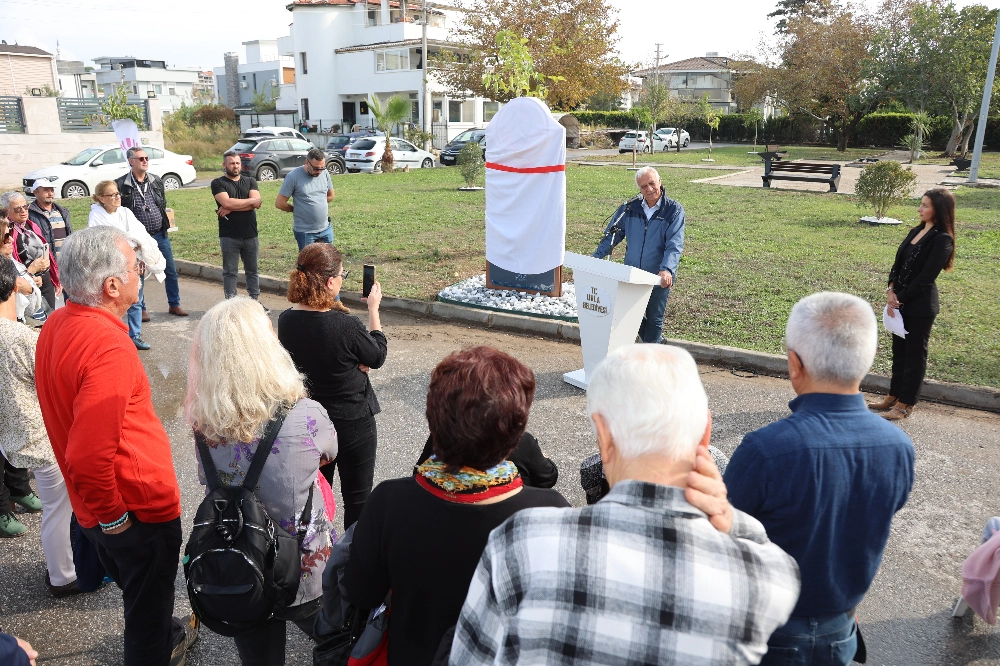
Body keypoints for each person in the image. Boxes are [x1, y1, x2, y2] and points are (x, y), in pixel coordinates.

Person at [449, 344, 801, 666]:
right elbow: (782, 567)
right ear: (706, 432)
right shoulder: (759, 576)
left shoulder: (521, 541)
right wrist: (730, 519)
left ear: (604, 435)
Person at [341, 346, 571, 665]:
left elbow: (361, 592)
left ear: (433, 418)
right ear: (517, 430)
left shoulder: (389, 501)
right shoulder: (551, 512)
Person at [723, 292, 915, 666]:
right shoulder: (898, 447)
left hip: (768, 630)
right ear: (867, 358)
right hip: (841, 628)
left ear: (795, 364)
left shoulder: (765, 449)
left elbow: (724, 537)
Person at [34, 226, 195, 666]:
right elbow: (87, 457)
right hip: (136, 511)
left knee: (143, 596)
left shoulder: (57, 322)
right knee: (145, 618)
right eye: (136, 267)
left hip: (96, 508)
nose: (140, 274)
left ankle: (165, 631)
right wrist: (115, 520)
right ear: (111, 286)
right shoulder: (108, 346)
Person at [186, 296, 337, 665]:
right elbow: (329, 454)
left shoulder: (204, 424)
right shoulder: (306, 414)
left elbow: (209, 478)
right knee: (336, 644)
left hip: (242, 560)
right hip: (304, 564)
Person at [278, 243, 386, 528]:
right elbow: (376, 356)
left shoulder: (286, 320)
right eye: (341, 275)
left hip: (310, 423)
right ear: (329, 282)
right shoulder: (345, 325)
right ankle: (352, 552)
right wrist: (373, 310)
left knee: (316, 497)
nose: (342, 279)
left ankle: (318, 548)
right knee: (357, 500)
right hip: (352, 421)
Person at [0, 255, 81, 595]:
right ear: (13, 285)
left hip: (10, 437)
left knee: (55, 507)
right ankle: (63, 576)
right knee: (58, 509)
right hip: (40, 437)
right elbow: (56, 384)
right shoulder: (22, 338)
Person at [870, 188, 957, 420]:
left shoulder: (943, 239)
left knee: (914, 356)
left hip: (920, 308)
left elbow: (926, 278)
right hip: (899, 303)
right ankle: (893, 396)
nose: (920, 209)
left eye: (925, 205)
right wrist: (890, 290)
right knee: (899, 353)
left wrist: (899, 298)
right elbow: (897, 265)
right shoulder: (915, 231)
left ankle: (906, 404)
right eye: (921, 204)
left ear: (939, 209)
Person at [593, 166, 684, 343]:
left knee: (654, 320)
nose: (649, 189)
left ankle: (652, 350)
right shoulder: (629, 208)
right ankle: (656, 344)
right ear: (639, 189)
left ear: (660, 182)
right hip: (632, 273)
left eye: (652, 183)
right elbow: (612, 235)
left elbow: (674, 244)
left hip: (657, 276)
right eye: (643, 186)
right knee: (626, 313)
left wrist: (667, 269)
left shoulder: (673, 210)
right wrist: (596, 256)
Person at [88, 180, 167, 351]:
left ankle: (135, 336)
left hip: (134, 261)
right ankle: (113, 336)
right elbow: (103, 241)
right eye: (112, 195)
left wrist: (139, 253)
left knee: (135, 298)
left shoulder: (126, 212)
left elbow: (140, 235)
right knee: (113, 301)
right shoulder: (96, 216)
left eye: (118, 193)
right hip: (112, 265)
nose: (117, 197)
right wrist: (128, 245)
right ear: (101, 198)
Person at [115, 147, 188, 319]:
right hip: (136, 238)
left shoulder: (155, 180)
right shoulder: (121, 184)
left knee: (170, 270)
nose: (145, 161)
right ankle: (140, 308)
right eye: (141, 159)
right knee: (138, 273)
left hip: (159, 234)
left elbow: (161, 204)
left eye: (146, 158)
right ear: (131, 161)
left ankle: (174, 304)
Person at [416, 431, 558, 489]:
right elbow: (547, 478)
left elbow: (418, 473)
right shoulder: (521, 441)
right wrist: (541, 456)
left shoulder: (440, 435)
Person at [212, 151, 263, 305]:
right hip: (229, 235)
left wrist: (231, 207)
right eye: (232, 163)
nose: (235, 166)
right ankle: (231, 304)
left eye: (238, 163)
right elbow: (227, 203)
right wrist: (248, 202)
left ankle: (254, 302)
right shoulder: (218, 183)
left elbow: (257, 203)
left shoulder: (250, 180)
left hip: (250, 233)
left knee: (252, 271)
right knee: (230, 272)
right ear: (224, 165)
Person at [1, 191, 60, 314]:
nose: (23, 211)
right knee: (36, 320)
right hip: (26, 286)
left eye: (25, 206)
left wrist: (55, 277)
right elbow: (10, 266)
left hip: (45, 281)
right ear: (6, 211)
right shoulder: (6, 233)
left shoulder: (32, 225)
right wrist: (31, 274)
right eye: (18, 208)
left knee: (51, 318)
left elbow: (48, 251)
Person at [0, 214, 44, 323]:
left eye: (10, 233)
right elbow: (28, 310)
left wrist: (30, 279)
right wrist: (29, 274)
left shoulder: (9, 260)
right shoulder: (4, 267)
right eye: (5, 236)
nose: (11, 239)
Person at [27, 178, 73, 259]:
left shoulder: (63, 211)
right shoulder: (29, 213)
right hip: (46, 261)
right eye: (46, 190)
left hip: (65, 259)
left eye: (52, 190)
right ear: (35, 193)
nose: (50, 193)